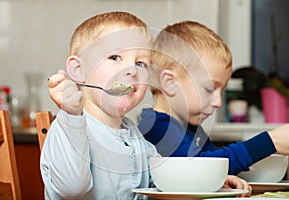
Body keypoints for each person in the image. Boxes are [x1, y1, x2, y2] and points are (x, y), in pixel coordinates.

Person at [44, 13, 251, 199]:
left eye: (140, 63)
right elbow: (72, 189)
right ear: (78, 70)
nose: (131, 71)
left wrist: (212, 182)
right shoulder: (67, 128)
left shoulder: (135, 137)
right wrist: (71, 116)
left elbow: (164, 179)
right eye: (115, 57)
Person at [138, 20, 289, 176]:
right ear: (169, 83)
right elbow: (205, 168)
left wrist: (226, 178)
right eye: (209, 88)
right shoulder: (157, 127)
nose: (218, 103)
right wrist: (271, 141)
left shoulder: (192, 129)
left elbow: (220, 166)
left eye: (221, 92)